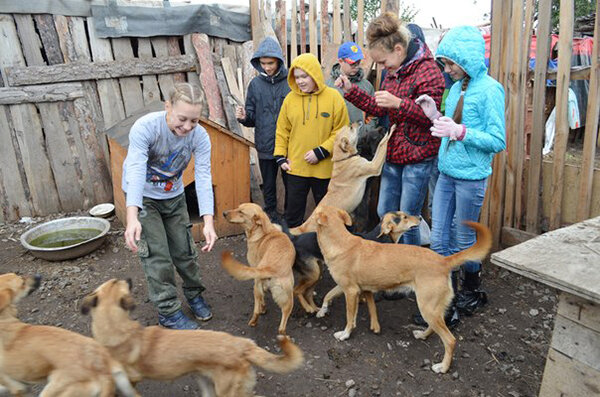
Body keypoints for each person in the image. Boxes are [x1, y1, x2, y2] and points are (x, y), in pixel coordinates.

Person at [416, 26, 506, 319]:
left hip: (471, 177)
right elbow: (451, 126)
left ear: (467, 59)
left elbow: (497, 140)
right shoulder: (455, 89)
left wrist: (461, 131)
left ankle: (471, 291)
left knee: (464, 240)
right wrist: (435, 116)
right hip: (446, 173)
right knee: (440, 238)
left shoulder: (490, 90)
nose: (447, 69)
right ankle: (447, 302)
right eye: (445, 63)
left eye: (451, 63)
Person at [335, 12, 444, 246]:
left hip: (418, 155)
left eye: (383, 62)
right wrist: (351, 91)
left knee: (407, 217)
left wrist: (400, 104)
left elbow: (431, 119)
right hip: (394, 151)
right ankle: (393, 262)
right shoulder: (393, 72)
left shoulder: (428, 70)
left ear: (398, 49)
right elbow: (379, 106)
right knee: (385, 209)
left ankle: (410, 268)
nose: (382, 68)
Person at [123, 83, 217, 330]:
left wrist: (208, 221)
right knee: (158, 256)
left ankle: (194, 294)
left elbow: (204, 176)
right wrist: (132, 217)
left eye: (194, 121)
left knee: (185, 250)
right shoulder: (145, 128)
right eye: (182, 119)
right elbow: (134, 169)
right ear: (168, 107)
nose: (187, 127)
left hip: (174, 196)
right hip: (144, 198)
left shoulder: (200, 136)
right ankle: (168, 311)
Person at [274, 53, 350, 228]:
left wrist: (321, 151)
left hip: (324, 169)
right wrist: (280, 156)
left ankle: (328, 251)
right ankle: (291, 251)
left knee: (329, 217)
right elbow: (281, 130)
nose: (300, 81)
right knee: (292, 215)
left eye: (304, 76)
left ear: (315, 74)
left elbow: (342, 131)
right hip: (296, 168)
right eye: (296, 77)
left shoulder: (334, 97)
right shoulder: (289, 100)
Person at [236, 37, 290, 221]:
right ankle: (271, 222)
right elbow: (252, 118)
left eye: (271, 63)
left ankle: (290, 223)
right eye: (263, 63)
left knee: (292, 187)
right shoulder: (255, 85)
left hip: (289, 146)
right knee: (268, 188)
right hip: (266, 145)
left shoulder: (291, 82)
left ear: (279, 61)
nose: (267, 67)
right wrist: (244, 117)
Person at [326, 41, 376, 137]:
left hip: (360, 143)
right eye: (352, 64)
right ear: (340, 61)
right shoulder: (329, 86)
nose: (356, 67)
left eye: (358, 63)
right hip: (336, 142)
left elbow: (374, 114)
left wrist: (366, 131)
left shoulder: (367, 86)